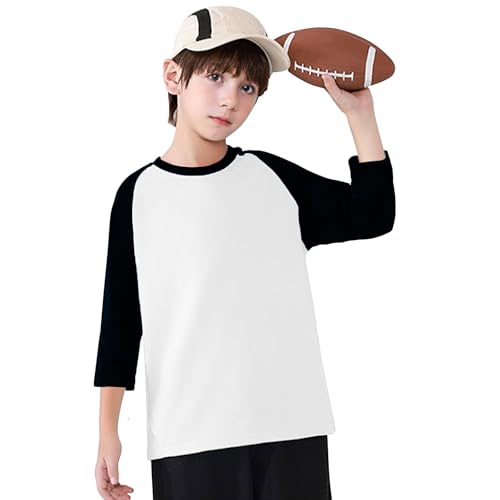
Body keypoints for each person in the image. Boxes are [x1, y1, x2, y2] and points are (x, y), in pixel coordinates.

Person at [93, 5, 396, 500]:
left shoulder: (272, 178)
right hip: (190, 437)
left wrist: (360, 116)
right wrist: (108, 431)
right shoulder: (138, 195)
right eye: (215, 76)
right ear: (173, 76)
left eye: (248, 87)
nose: (230, 99)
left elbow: (373, 214)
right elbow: (121, 322)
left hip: (291, 428)